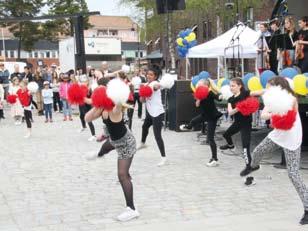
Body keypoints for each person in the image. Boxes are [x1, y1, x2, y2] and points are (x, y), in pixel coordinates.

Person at [241, 77, 308, 225]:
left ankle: (307, 208)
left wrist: (278, 116)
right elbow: (264, 114)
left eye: (270, 86)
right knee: (257, 151)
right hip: (277, 134)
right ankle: (254, 166)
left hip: (291, 136)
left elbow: (290, 117)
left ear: (278, 87)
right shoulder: (271, 96)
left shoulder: (291, 99)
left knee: (293, 174)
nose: (267, 89)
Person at [85, 94, 139, 222]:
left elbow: (117, 108)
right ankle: (99, 154)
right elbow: (87, 118)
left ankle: (131, 209)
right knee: (104, 148)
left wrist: (119, 98)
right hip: (114, 140)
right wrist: (95, 105)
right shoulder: (102, 108)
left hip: (126, 143)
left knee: (122, 175)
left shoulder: (115, 109)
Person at [219, 78, 261, 176]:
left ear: (239, 86)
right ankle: (231, 145)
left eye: (233, 86)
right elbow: (230, 112)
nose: (231, 88)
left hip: (246, 124)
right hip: (237, 123)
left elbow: (258, 92)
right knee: (226, 135)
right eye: (230, 86)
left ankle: (248, 167)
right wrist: (240, 107)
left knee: (245, 146)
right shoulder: (231, 99)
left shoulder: (245, 94)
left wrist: (271, 90)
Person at [180, 79, 223, 167]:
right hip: (205, 115)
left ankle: (214, 159)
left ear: (206, 86)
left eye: (199, 85)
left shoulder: (210, 92)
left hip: (212, 117)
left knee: (210, 138)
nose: (197, 86)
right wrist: (199, 99)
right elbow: (197, 105)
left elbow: (218, 99)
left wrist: (220, 93)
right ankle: (188, 127)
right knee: (193, 121)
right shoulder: (199, 93)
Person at [138, 66, 167, 166]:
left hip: (157, 113)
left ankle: (163, 158)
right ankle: (143, 143)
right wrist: (142, 93)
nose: (148, 76)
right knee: (144, 126)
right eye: (148, 74)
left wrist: (158, 86)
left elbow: (156, 87)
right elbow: (142, 101)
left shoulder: (155, 83)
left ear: (155, 76)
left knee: (157, 136)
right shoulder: (146, 84)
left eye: (151, 75)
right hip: (150, 112)